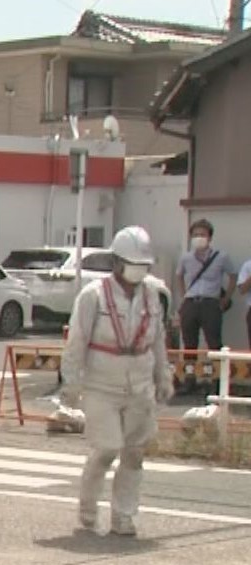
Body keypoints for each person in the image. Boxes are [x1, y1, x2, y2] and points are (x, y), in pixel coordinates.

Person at [61, 226, 173, 538]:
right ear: (117, 262)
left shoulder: (153, 295)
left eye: (143, 265)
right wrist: (70, 384)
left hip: (139, 384)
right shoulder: (92, 296)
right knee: (107, 448)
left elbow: (159, 341)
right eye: (132, 264)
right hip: (101, 385)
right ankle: (87, 511)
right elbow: (77, 341)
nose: (138, 270)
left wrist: (163, 377)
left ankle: (124, 516)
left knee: (135, 452)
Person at [172, 218, 233, 363]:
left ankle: (217, 381)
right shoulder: (186, 257)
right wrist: (184, 296)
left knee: (214, 343)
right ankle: (190, 380)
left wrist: (226, 298)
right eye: (195, 235)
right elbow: (179, 276)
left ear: (210, 237)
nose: (198, 238)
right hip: (191, 302)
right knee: (189, 344)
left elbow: (233, 276)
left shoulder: (221, 257)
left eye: (202, 234)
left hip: (211, 302)